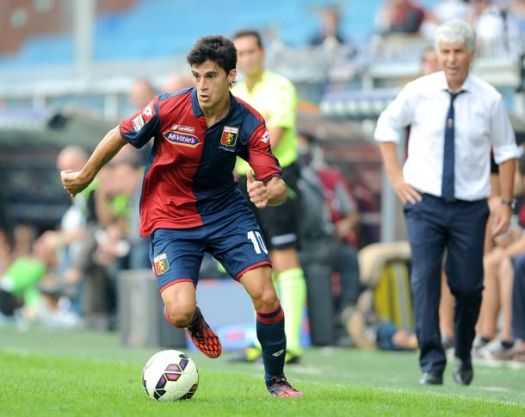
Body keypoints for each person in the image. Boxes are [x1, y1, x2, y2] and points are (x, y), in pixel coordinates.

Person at [61, 35, 303, 398]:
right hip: (170, 217)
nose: (202, 86)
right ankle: (193, 318)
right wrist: (85, 175)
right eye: (196, 76)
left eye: (211, 76)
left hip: (226, 214)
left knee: (266, 295)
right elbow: (120, 134)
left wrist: (270, 191)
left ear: (230, 75)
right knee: (178, 312)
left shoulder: (250, 121)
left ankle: (277, 380)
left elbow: (277, 183)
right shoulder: (167, 107)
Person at [374, 19, 520, 386]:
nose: (451, 59)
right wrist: (396, 178)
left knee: (469, 284)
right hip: (424, 201)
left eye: (458, 52)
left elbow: (505, 151)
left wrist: (503, 202)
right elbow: (385, 129)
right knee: (424, 277)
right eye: (445, 52)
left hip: (471, 205)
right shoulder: (418, 91)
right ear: (438, 54)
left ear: (471, 54)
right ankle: (432, 362)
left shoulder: (489, 99)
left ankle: (465, 349)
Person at [231, 30, 307, 364]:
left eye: (251, 52)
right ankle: (263, 339)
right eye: (240, 54)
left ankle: (291, 342)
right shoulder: (231, 91)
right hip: (239, 181)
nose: (246, 59)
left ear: (262, 53)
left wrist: (249, 164)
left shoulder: (280, 87)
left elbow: (273, 135)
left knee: (284, 255)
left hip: (277, 176)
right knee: (253, 261)